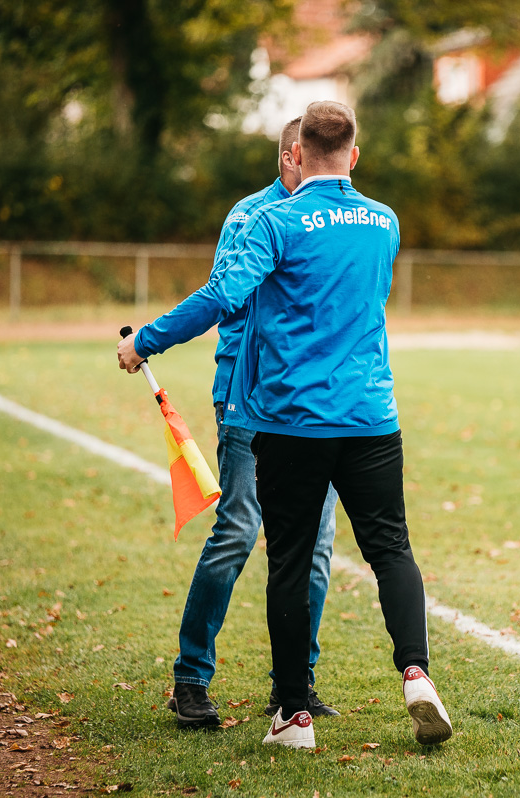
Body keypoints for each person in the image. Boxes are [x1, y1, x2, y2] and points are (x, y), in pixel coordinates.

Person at [118, 100, 450, 749]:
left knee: (301, 556)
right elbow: (239, 305)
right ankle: (198, 676)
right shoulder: (346, 219)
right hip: (307, 410)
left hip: (296, 417)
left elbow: (228, 296)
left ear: (299, 153)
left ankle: (294, 701)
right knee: (271, 537)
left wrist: (147, 340)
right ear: (350, 155)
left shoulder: (283, 222)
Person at [147, 117, 340, 727]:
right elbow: (223, 298)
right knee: (237, 532)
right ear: (292, 158)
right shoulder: (253, 216)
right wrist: (149, 339)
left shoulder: (330, 219)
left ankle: (295, 686)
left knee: (316, 547)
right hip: (250, 401)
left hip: (314, 411)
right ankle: (190, 678)